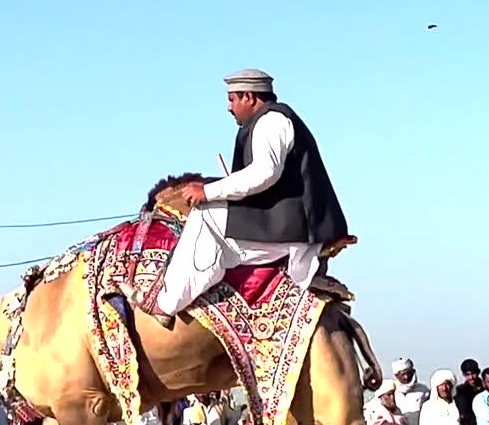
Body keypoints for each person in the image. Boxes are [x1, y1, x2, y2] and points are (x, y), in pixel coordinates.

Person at [149, 69, 349, 326]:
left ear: (250, 97)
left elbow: (264, 173)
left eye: (232, 99)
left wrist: (208, 192)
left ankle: (166, 304)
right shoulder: (266, 122)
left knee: (205, 215)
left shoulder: (272, 121)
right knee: (215, 219)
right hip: (284, 221)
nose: (229, 108)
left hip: (294, 228)